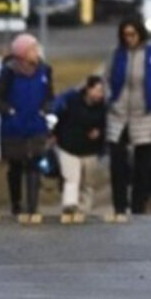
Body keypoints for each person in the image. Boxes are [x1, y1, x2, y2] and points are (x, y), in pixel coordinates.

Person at [103, 15, 151, 215]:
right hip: (118, 114)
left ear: (140, 34)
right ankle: (119, 205)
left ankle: (138, 206)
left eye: (132, 34)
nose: (129, 38)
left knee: (143, 165)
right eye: (125, 35)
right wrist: (110, 98)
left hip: (145, 115)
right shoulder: (116, 54)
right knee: (118, 163)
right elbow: (105, 78)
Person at [0, 33, 54, 216]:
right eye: (33, 49)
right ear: (23, 53)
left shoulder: (45, 71)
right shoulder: (9, 73)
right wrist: (9, 111)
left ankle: (33, 206)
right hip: (14, 128)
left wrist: (46, 110)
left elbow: (50, 96)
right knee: (16, 166)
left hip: (36, 126)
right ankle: (16, 204)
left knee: (35, 165)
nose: (37, 52)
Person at [53, 75, 107, 214]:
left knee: (87, 182)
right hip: (69, 147)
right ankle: (70, 205)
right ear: (88, 89)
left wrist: (99, 132)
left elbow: (105, 125)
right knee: (71, 178)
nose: (99, 94)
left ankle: (84, 209)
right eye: (97, 90)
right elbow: (59, 118)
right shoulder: (72, 100)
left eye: (101, 91)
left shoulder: (103, 107)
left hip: (90, 150)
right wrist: (55, 135)